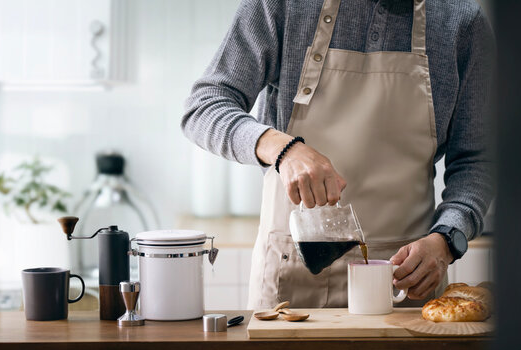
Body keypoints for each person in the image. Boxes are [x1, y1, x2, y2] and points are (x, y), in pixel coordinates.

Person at [182, 0, 494, 309]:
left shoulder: (461, 22)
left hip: (405, 283)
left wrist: (447, 239)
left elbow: (476, 160)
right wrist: (282, 148)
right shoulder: (281, 5)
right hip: (293, 278)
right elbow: (205, 105)